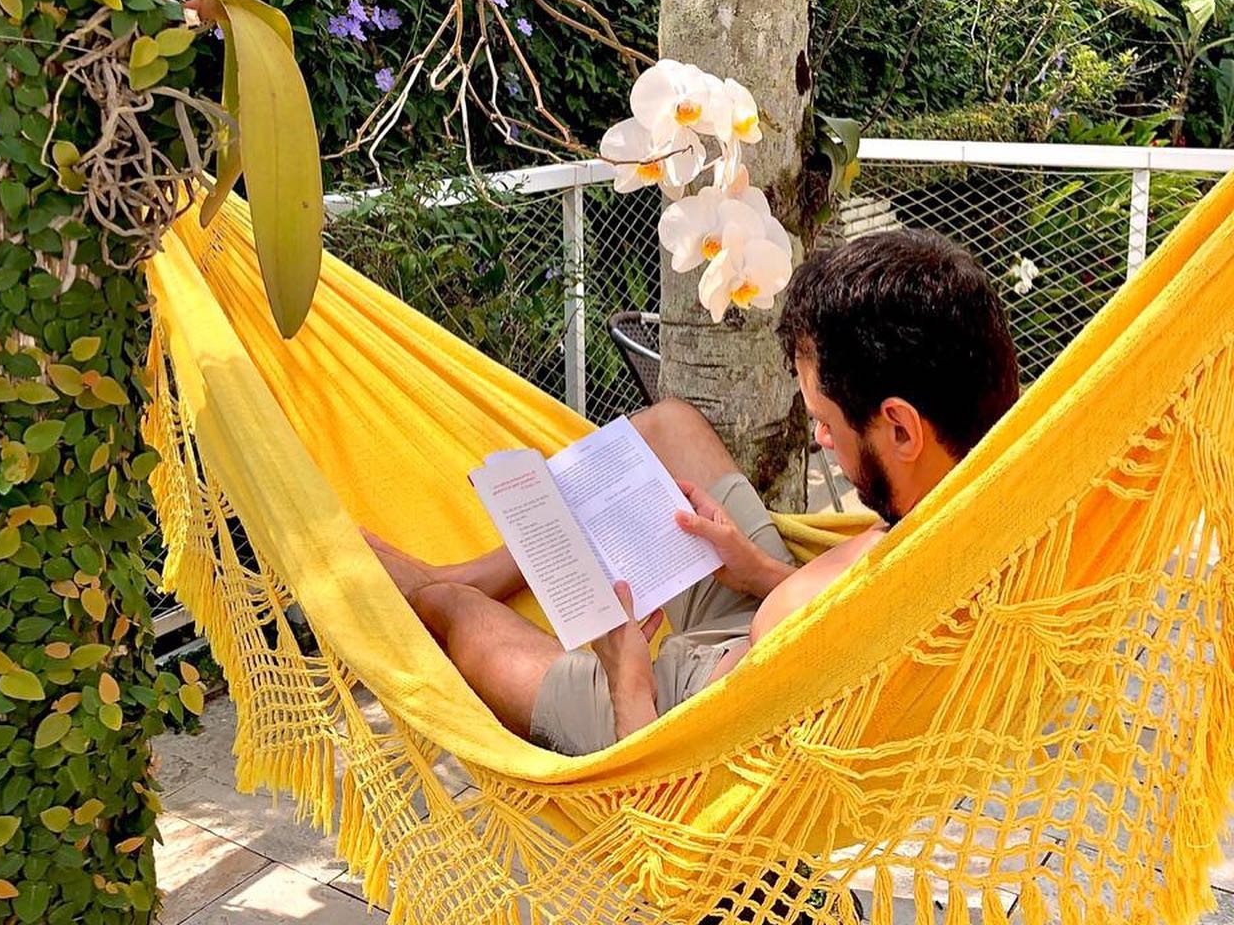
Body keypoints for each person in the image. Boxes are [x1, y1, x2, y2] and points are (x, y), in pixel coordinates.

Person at [363, 230, 1020, 756]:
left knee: (452, 612)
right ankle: (478, 571)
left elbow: (677, 808)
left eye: (825, 420)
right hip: (761, 617)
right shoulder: (987, 491)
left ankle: (437, 587)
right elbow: (848, 595)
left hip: (678, 708)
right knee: (669, 426)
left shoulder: (824, 616)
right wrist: (755, 569)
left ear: (901, 428)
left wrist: (626, 671)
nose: (820, 438)